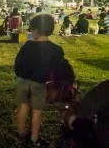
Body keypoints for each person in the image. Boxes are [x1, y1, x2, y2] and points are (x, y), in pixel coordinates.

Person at [15, 14, 65, 147]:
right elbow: (57, 69)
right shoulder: (56, 50)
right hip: (40, 83)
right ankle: (34, 139)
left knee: (23, 106)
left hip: (22, 81)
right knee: (37, 112)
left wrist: (20, 74)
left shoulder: (27, 45)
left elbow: (18, 64)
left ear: (35, 29)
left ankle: (21, 134)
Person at [64, 80, 109, 148]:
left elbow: (81, 112)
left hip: (103, 140)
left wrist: (74, 106)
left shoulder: (105, 87)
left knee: (73, 118)